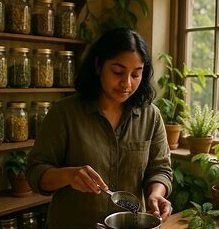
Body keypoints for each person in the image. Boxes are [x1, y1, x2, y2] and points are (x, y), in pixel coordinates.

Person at [26, 27, 173, 229]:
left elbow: (160, 169)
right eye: (118, 72)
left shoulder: (150, 116)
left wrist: (156, 194)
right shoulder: (65, 113)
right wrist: (69, 175)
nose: (127, 83)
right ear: (98, 66)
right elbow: (36, 173)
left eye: (136, 74)